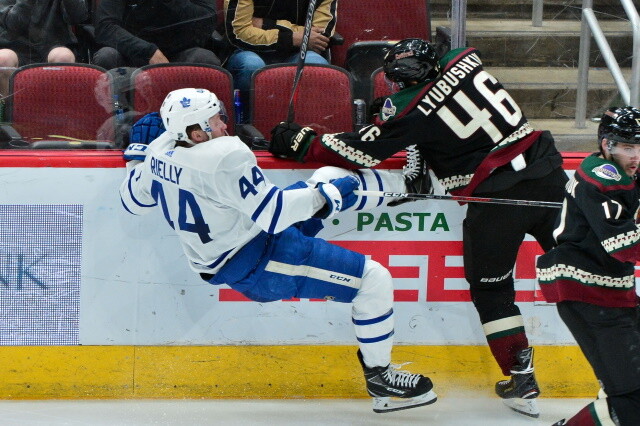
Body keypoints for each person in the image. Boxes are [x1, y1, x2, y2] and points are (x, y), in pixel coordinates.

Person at [268, 38, 570, 418]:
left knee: (492, 291)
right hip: (550, 180)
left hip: (497, 201)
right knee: (587, 272)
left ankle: (521, 377)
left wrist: (302, 142)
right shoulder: (465, 61)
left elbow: (360, 151)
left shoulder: (409, 107)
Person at [119, 87, 437, 413]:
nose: (226, 125)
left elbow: (132, 200)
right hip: (256, 262)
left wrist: (137, 158)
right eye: (216, 120)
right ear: (197, 133)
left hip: (243, 238)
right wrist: (325, 198)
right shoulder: (224, 155)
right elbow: (273, 214)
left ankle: (412, 185)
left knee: (329, 176)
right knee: (374, 279)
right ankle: (380, 378)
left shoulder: (160, 150)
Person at [536, 106, 640, 426]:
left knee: (628, 394)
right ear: (607, 145)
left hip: (609, 292)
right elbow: (622, 246)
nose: (635, 155)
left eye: (639, 147)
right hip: (587, 293)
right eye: (627, 147)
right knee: (630, 401)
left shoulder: (621, 171)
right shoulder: (601, 177)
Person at [224, 0, 336, 122]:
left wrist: (265, 24)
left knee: (317, 67)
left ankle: (306, 128)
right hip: (249, 49)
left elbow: (321, 34)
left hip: (297, 51)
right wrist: (292, 37)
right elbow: (239, 32)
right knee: (252, 65)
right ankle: (245, 127)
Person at [93, 0, 221, 70]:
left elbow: (207, 21)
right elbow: (105, 27)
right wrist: (148, 52)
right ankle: (117, 115)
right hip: (132, 53)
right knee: (106, 56)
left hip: (179, 52)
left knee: (205, 59)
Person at [0, 0, 88, 97]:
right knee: (3, 59)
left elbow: (79, 17)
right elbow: (13, 24)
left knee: (63, 57)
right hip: (15, 48)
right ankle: (6, 109)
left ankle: (59, 109)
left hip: (54, 46)